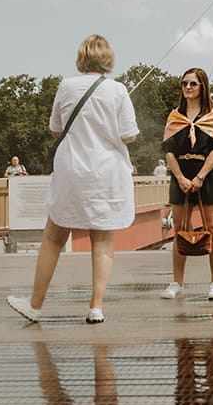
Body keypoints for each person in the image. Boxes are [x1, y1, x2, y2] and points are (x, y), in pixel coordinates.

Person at [8, 34, 138, 325]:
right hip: (106, 172)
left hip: (72, 170)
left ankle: (35, 304)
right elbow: (129, 134)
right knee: (103, 240)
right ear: (108, 58)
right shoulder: (118, 90)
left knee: (53, 238)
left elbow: (56, 128)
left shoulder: (66, 86)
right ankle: (96, 307)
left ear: (81, 57)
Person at [160, 67, 213, 302]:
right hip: (180, 175)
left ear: (202, 87)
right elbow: (168, 152)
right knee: (179, 228)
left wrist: (200, 177)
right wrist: (179, 177)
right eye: (184, 83)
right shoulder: (174, 117)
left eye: (193, 84)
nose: (188, 87)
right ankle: (177, 282)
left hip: (206, 175)